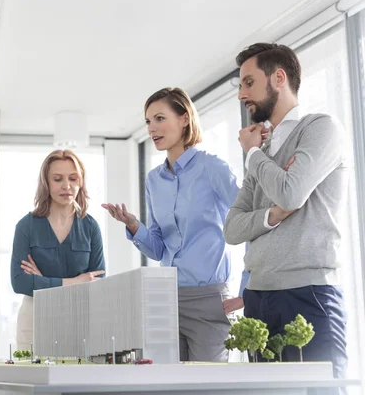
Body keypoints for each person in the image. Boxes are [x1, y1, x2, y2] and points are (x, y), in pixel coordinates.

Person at [224, 43, 348, 383]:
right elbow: (232, 229)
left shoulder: (320, 129)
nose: (241, 95)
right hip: (258, 298)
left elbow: (290, 192)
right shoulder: (262, 149)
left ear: (278, 78)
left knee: (322, 392)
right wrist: (271, 216)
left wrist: (252, 156)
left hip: (308, 294)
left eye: (248, 83)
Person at [102, 87, 246, 362]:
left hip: (209, 301)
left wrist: (245, 292)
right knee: (168, 386)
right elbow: (158, 249)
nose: (151, 128)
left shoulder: (212, 168)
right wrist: (134, 225)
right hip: (165, 300)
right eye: (147, 122)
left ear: (184, 119)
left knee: (207, 387)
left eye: (159, 118)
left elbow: (250, 222)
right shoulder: (153, 180)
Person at [10, 149, 106, 350]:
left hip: (79, 319)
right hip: (34, 318)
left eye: (73, 178)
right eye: (57, 179)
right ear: (46, 182)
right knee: (35, 378)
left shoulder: (90, 227)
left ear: (81, 182)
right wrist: (75, 282)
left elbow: (98, 285)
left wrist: (41, 282)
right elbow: (20, 283)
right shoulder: (26, 226)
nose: (66, 186)